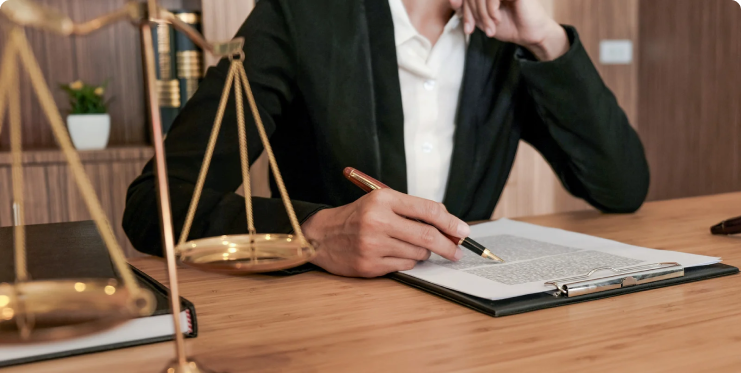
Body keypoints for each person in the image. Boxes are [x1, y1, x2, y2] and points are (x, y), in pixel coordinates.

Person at [123, 0, 650, 278]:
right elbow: (155, 207)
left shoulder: (504, 38)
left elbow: (621, 188)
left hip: (475, 325)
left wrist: (546, 39)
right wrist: (313, 234)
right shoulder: (299, 15)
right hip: (329, 325)